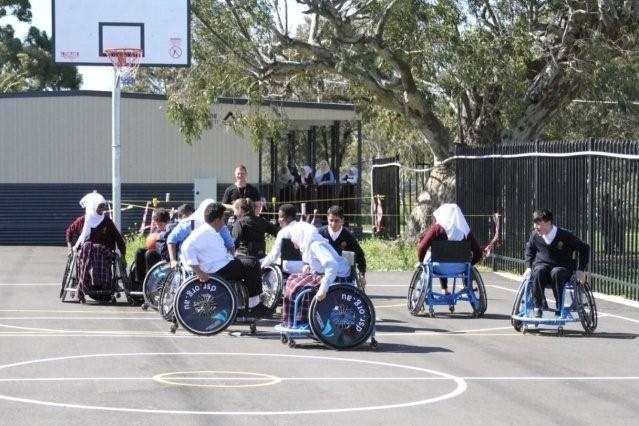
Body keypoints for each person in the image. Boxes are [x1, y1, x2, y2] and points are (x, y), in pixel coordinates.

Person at [181, 202, 272, 317]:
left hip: (221, 263)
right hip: (215, 269)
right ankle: (254, 305)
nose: (224, 222)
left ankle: (242, 304)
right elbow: (186, 247)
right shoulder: (203, 232)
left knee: (250, 261)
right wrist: (198, 271)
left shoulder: (210, 230)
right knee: (252, 264)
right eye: (223, 219)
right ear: (216, 220)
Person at [280, 221, 352, 328]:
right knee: (292, 279)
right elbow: (317, 262)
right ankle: (293, 319)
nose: (293, 241)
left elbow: (332, 266)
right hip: (326, 274)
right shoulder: (312, 243)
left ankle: (302, 319)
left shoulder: (316, 245)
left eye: (294, 238)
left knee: (297, 286)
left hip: (336, 277)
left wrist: (323, 289)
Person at [523, 209, 590, 318]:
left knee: (556, 272)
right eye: (534, 223)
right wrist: (528, 267)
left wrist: (580, 269)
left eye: (538, 223)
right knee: (538, 270)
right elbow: (529, 251)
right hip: (543, 268)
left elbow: (585, 248)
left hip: (563, 268)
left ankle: (559, 307)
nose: (535, 226)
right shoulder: (535, 236)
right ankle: (538, 306)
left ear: (548, 223)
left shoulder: (565, 235)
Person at [71, 192, 127, 303]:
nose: (103, 209)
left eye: (103, 206)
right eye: (100, 206)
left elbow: (118, 238)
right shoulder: (83, 220)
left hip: (103, 252)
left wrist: (123, 255)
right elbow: (69, 232)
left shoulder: (106, 221)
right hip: (86, 252)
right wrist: (69, 248)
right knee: (88, 247)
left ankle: (100, 284)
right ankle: (86, 284)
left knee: (96, 249)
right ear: (93, 207)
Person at [417, 203, 483, 295]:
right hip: (461, 268)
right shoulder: (465, 231)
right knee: (445, 257)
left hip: (439, 267)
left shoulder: (437, 229)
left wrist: (420, 262)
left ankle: (420, 290)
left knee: (430, 257)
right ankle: (445, 289)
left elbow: (422, 247)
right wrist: (470, 264)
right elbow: (479, 252)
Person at [167, 199, 234, 271]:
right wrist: (173, 260)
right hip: (195, 263)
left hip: (213, 261)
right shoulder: (189, 224)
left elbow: (230, 245)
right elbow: (171, 240)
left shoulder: (220, 225)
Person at [318, 205, 367, 289]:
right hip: (324, 271)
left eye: (337, 221)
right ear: (327, 219)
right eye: (331, 220)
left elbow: (360, 256)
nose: (333, 224)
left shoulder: (348, 236)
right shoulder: (320, 233)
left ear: (342, 221)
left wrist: (362, 275)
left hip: (343, 274)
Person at [261, 203, 303, 273]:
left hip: (289, 268)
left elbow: (274, 255)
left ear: (289, 218)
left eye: (280, 217)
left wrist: (262, 265)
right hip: (304, 266)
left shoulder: (284, 232)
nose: (278, 220)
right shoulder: (303, 228)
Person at [133, 208, 170, 283]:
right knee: (139, 251)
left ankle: (151, 281)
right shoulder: (157, 230)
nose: (158, 226)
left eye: (160, 225)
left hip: (165, 253)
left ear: (167, 222)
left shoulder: (170, 230)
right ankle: (140, 281)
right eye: (156, 224)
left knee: (149, 254)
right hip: (156, 250)